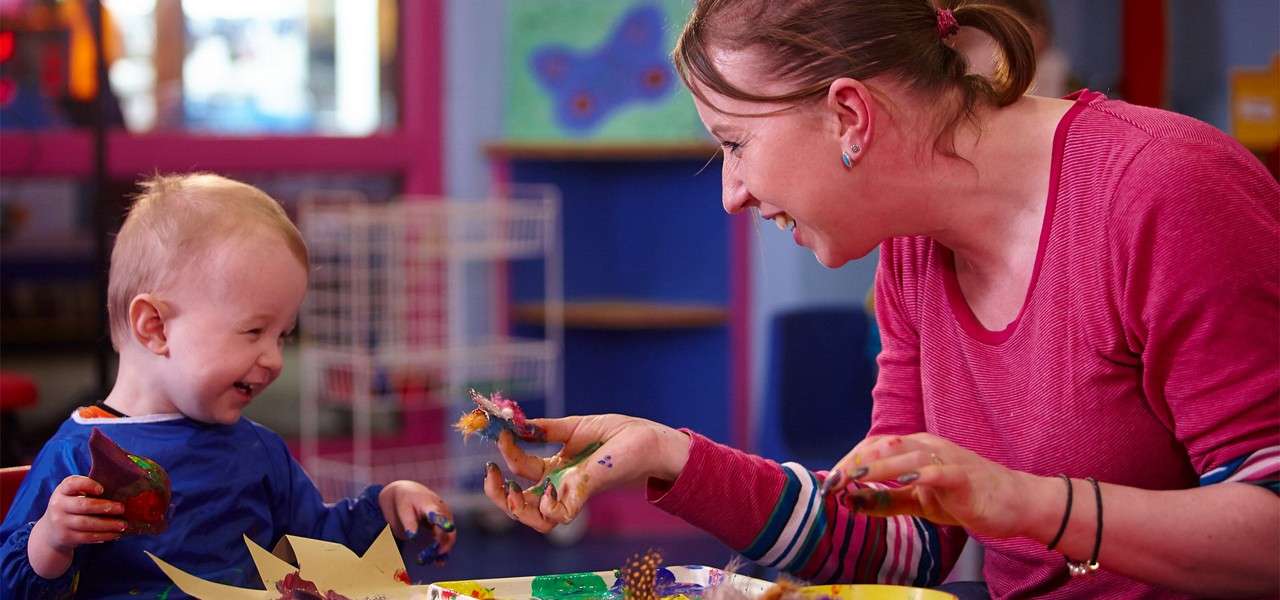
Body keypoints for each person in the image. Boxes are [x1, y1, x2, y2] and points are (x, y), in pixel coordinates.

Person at [482, 0, 1280, 598]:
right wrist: (669, 454)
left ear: (849, 116)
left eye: (734, 144)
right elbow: (902, 540)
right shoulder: (911, 248)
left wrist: (1027, 503)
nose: (731, 194)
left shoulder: (1166, 192)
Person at [0, 174, 457, 598]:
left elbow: (320, 543)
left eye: (283, 336)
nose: (275, 359)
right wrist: (51, 543)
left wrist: (387, 507)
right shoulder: (78, 458)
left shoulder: (259, 451)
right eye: (254, 332)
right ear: (155, 328)